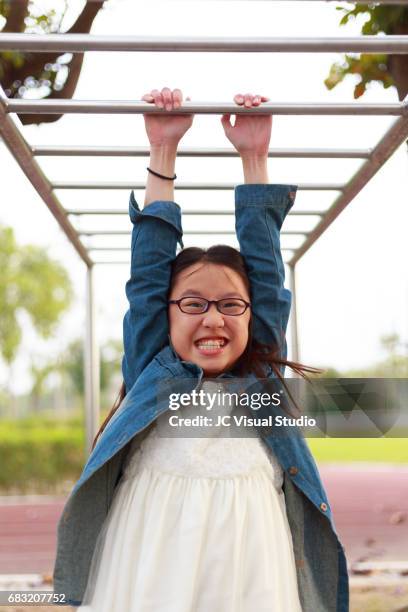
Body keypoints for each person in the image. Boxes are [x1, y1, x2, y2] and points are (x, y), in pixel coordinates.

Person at [53, 87, 349, 611]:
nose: (212, 318)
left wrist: (254, 156)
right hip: (151, 555)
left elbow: (265, 270)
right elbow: (147, 272)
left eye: (229, 305)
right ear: (166, 315)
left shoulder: (258, 374)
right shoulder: (153, 368)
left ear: (250, 315)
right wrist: (162, 150)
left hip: (250, 561)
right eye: (192, 304)